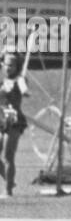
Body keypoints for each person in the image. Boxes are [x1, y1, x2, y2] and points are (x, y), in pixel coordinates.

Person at [0, 51, 27, 199]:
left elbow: (24, 88)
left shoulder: (19, 80)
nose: (8, 67)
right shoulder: (3, 81)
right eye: (6, 64)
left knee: (8, 156)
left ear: (17, 66)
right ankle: (10, 181)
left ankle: (8, 191)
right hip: (1, 121)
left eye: (12, 65)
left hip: (14, 121)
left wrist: (23, 90)